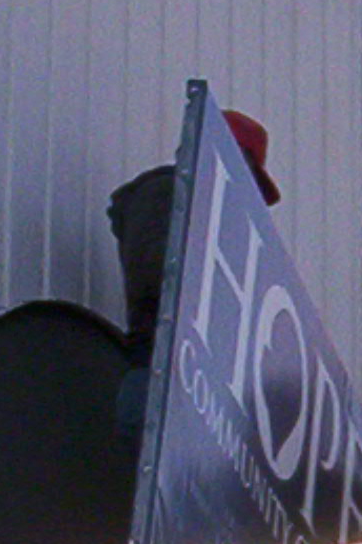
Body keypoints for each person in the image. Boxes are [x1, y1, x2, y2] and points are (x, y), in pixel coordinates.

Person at [108, 110, 281, 447]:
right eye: (246, 176)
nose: (247, 195)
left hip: (194, 393)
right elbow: (156, 270)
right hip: (160, 374)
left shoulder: (222, 233)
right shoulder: (166, 193)